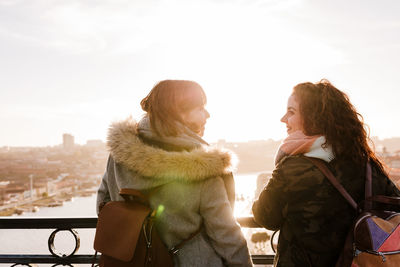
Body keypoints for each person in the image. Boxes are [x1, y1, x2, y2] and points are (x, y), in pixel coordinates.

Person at [97, 80, 253, 267]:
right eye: (200, 107)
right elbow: (225, 233)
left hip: (132, 260)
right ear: (179, 112)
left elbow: (103, 205)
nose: (208, 115)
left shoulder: (119, 154)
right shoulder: (202, 165)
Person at [252, 79, 400, 267]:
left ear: (313, 117)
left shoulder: (292, 169)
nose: (283, 119)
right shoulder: (367, 166)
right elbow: (394, 209)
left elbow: (265, 217)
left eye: (291, 112)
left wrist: (262, 188)